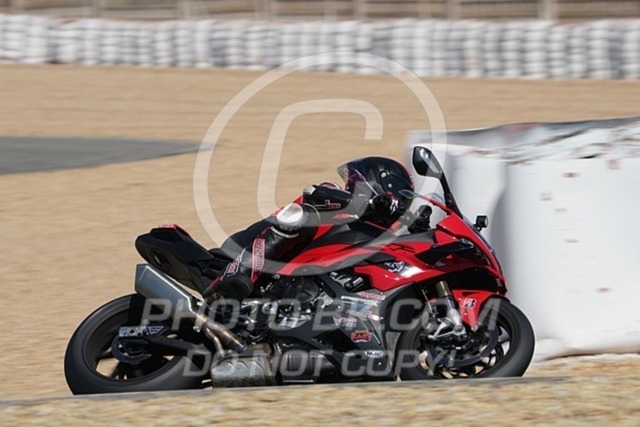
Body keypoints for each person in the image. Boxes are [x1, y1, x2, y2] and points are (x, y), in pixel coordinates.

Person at [204, 156, 415, 300]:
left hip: (293, 278)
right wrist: (368, 204)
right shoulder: (333, 194)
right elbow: (311, 191)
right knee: (304, 215)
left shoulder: (376, 234)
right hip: (239, 251)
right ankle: (235, 276)